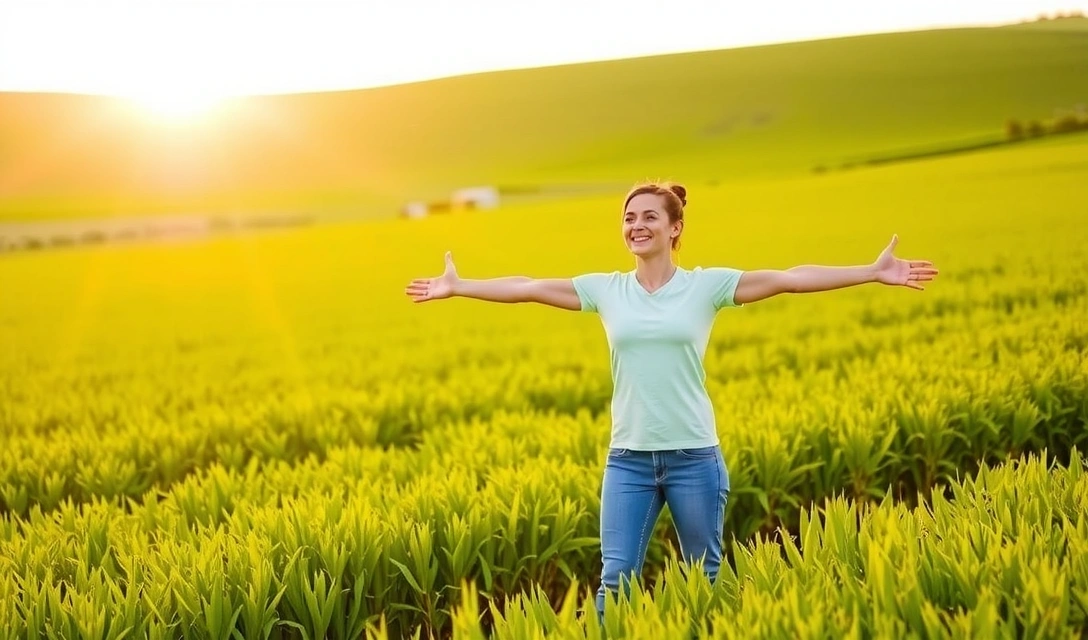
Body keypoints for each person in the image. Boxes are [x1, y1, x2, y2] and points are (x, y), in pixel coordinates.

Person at [403, 181, 939, 623]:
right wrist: (460, 286)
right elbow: (527, 286)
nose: (636, 225)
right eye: (628, 218)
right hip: (628, 460)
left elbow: (790, 278)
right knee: (616, 578)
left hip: (693, 458)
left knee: (704, 573)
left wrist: (870, 272)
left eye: (648, 217)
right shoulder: (607, 289)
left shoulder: (706, 287)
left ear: (675, 228)